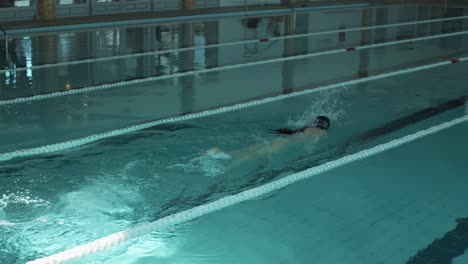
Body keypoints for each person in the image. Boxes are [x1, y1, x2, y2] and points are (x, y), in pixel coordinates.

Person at [205, 116, 331, 170]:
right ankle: (226, 169)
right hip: (280, 145)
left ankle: (216, 152)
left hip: (278, 141)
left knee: (245, 151)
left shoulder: (307, 128)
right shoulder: (319, 132)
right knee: (248, 156)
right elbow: (309, 147)